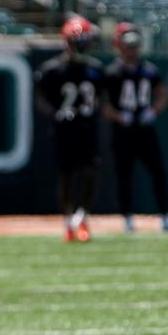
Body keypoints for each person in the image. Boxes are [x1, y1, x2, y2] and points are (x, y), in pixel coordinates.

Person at [101, 22, 168, 233]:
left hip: (144, 128)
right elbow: (102, 103)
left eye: (134, 45)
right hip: (123, 131)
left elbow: (163, 93)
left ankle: (166, 216)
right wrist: (118, 116)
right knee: (124, 175)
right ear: (119, 45)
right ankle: (128, 219)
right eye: (128, 45)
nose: (132, 50)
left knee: (158, 172)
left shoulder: (148, 70)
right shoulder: (112, 72)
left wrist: (153, 111)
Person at [34, 16, 104, 243]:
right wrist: (56, 114)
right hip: (64, 130)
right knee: (66, 176)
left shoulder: (95, 69)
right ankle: (68, 220)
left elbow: (103, 98)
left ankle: (81, 217)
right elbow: (40, 99)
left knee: (90, 173)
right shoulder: (52, 69)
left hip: (87, 127)